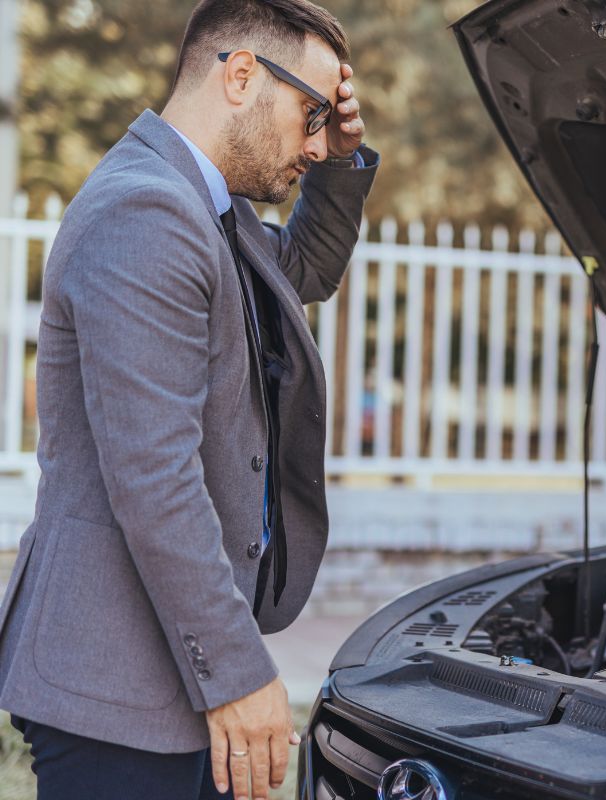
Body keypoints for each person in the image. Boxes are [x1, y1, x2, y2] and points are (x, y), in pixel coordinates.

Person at [0, 0, 376, 797]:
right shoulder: (146, 209)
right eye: (310, 113)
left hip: (166, 672)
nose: (314, 140)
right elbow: (155, 478)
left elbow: (301, 273)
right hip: (116, 688)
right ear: (240, 75)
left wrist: (342, 160)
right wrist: (240, 674)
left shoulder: (209, 209)